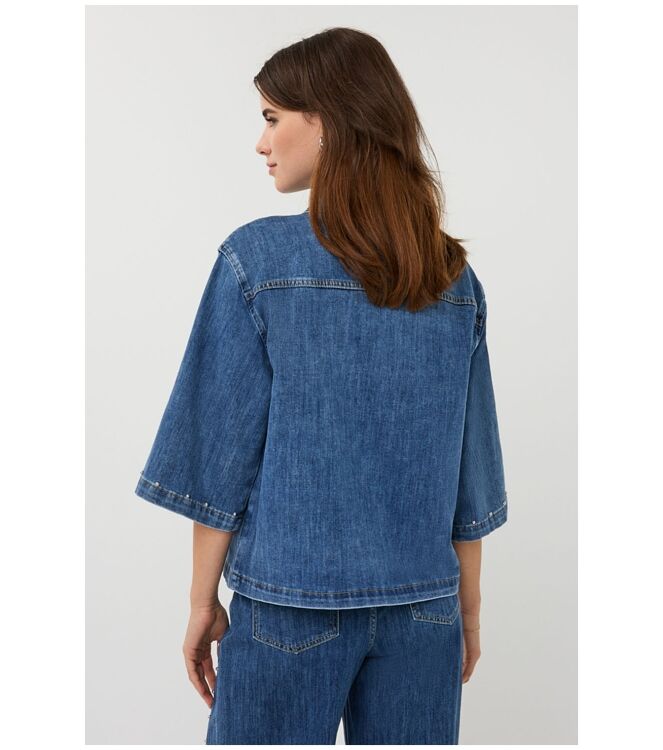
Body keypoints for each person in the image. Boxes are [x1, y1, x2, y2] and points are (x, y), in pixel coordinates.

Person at [135, 26, 508, 745]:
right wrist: (466, 611)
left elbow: (218, 456)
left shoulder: (257, 261)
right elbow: (473, 470)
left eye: (272, 117)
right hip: (425, 610)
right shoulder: (449, 276)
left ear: (328, 121)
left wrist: (201, 602)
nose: (261, 142)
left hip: (290, 605)